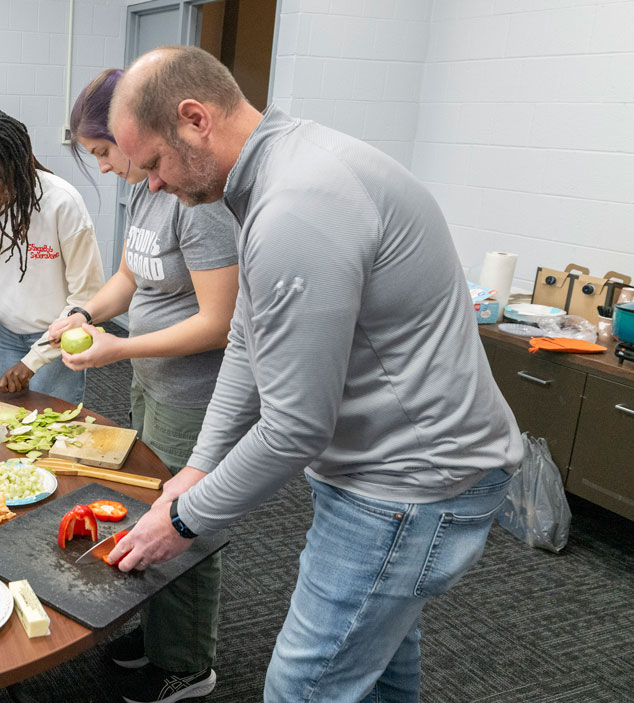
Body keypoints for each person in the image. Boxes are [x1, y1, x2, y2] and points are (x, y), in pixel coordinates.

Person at [106, 46, 523, 703]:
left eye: (153, 162)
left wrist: (183, 518)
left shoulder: (294, 209)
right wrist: (199, 464)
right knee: (379, 669)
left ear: (194, 119)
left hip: (410, 484)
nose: (151, 184)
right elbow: (247, 334)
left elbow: (294, 428)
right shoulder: (279, 170)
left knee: (305, 686)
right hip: (403, 467)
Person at [46, 67, 239, 703]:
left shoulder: (196, 204)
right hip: (149, 384)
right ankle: (162, 637)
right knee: (150, 512)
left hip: (194, 396)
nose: (104, 168)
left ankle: (189, 661)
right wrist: (84, 314)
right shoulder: (147, 192)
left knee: (186, 524)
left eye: (105, 153)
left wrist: (118, 346)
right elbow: (129, 278)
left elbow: (219, 323)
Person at [0, 109, 104, 406]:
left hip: (56, 339)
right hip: (3, 335)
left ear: (16, 165)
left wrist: (35, 359)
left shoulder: (62, 204)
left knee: (52, 431)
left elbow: (86, 295)